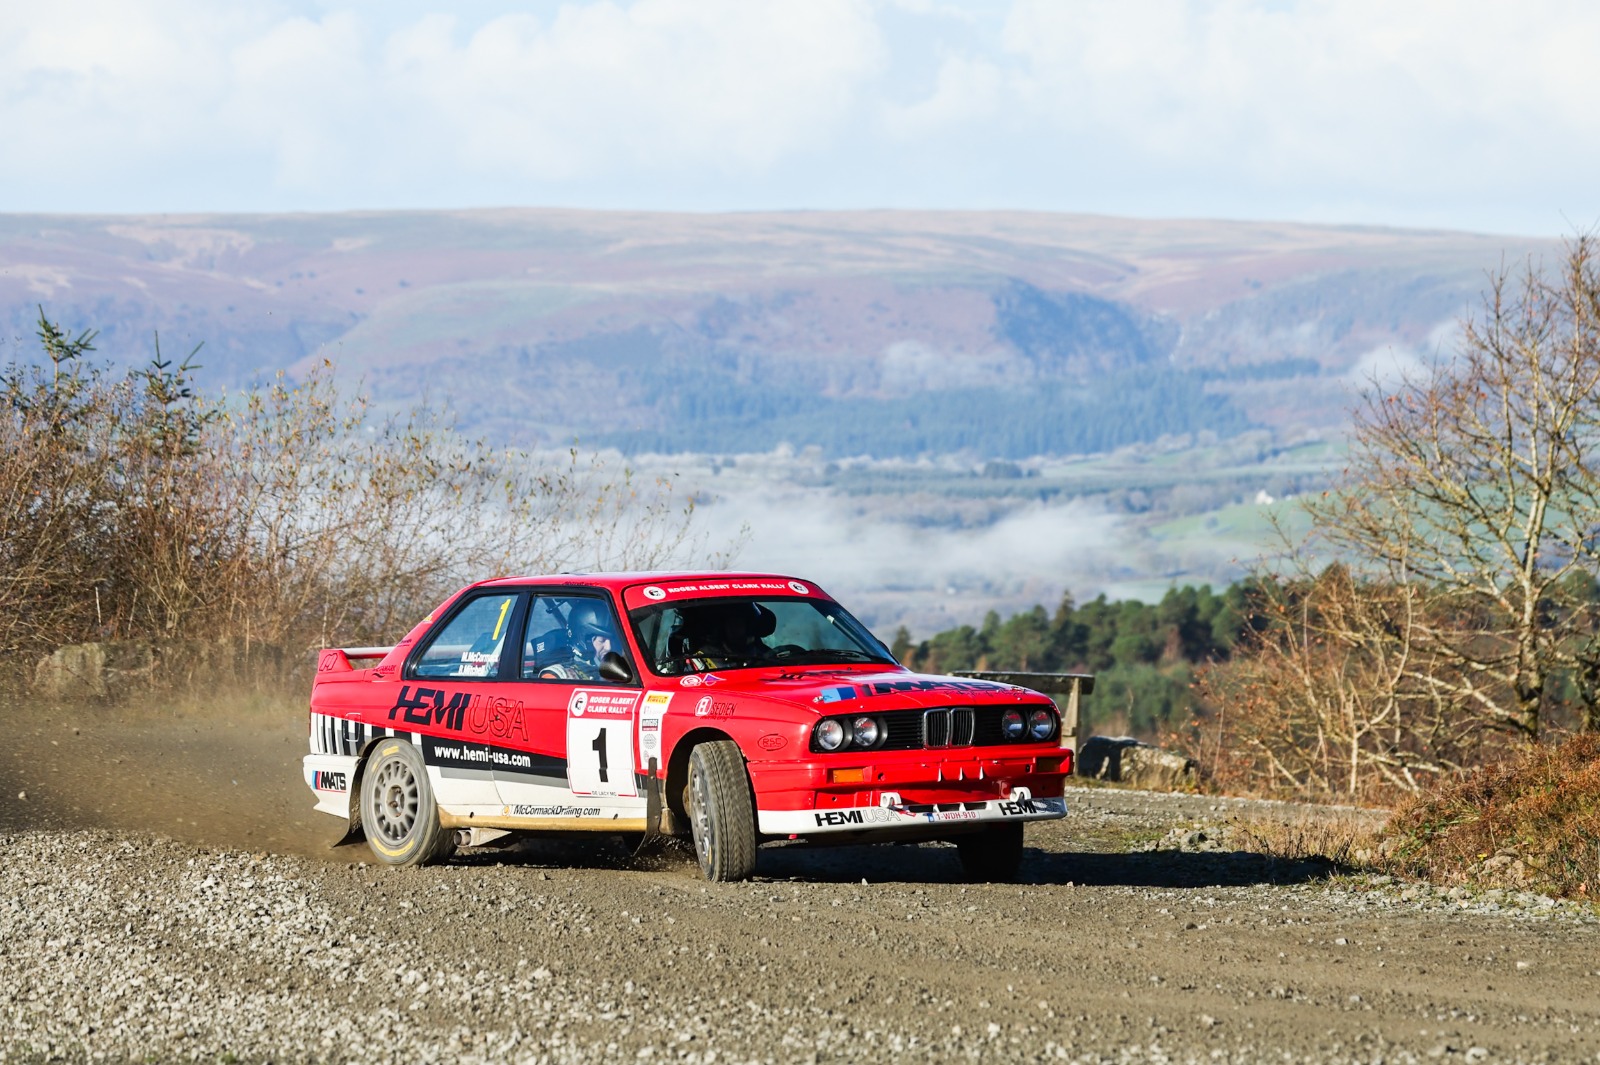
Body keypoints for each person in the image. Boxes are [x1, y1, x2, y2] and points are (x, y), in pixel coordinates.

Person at [537, 601, 623, 681]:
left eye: (613, 640)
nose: (609, 647)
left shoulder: (621, 665)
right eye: (602, 640)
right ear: (583, 640)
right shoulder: (560, 676)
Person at [677, 601, 776, 671]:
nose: (745, 630)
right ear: (722, 628)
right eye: (736, 624)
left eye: (746, 624)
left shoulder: (762, 652)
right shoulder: (703, 658)